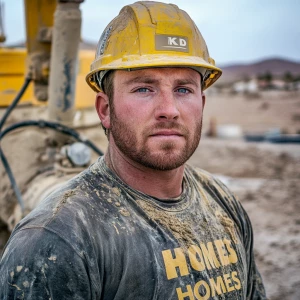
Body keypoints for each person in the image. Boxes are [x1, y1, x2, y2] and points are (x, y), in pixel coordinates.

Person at [0, 1, 267, 299]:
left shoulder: (223, 205)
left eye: (183, 89)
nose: (170, 110)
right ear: (105, 109)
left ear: (202, 104)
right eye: (144, 88)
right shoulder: (57, 241)